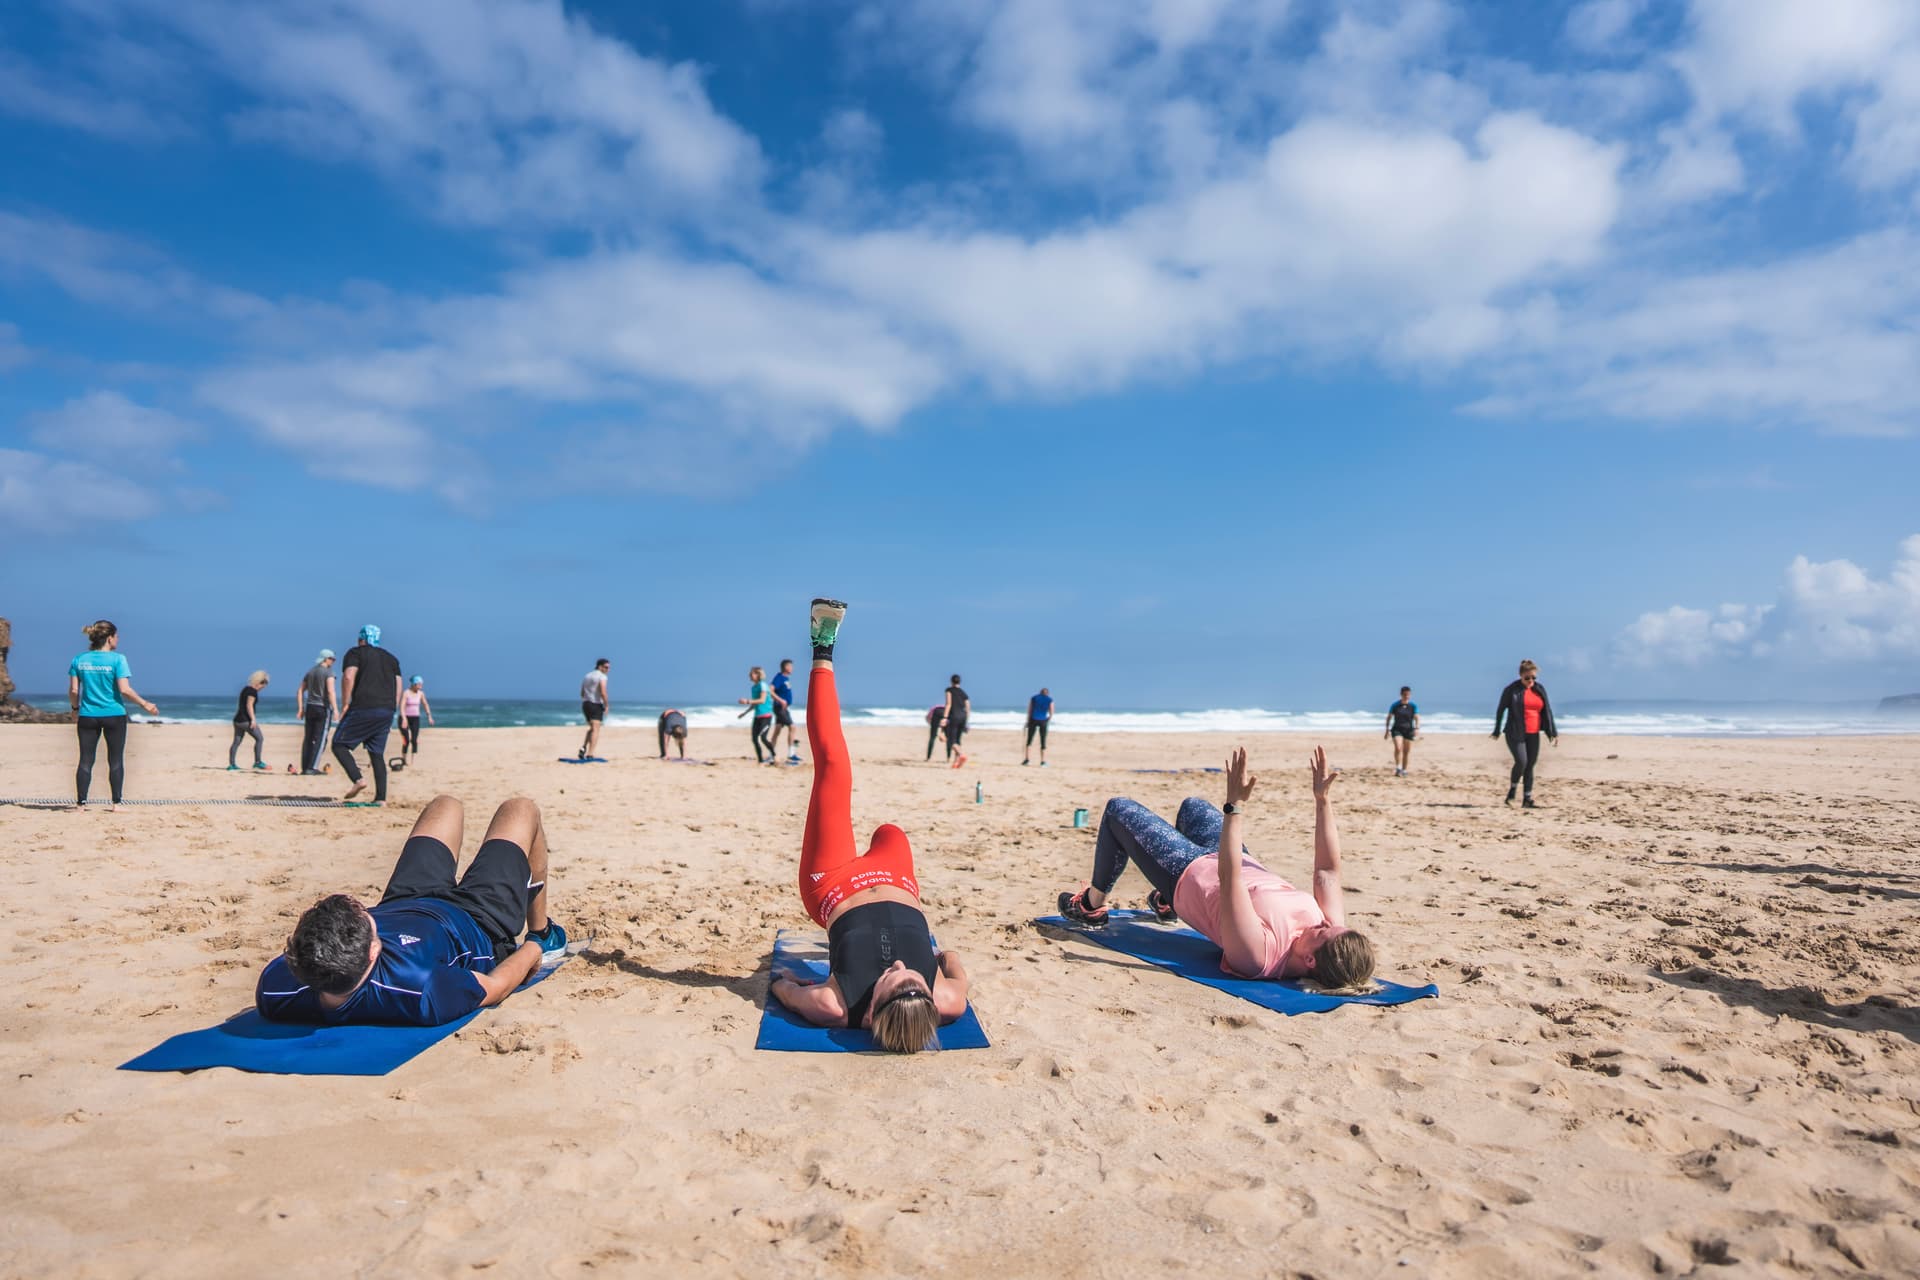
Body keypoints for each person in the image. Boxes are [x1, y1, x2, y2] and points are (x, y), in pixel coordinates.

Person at [769, 600, 972, 1053]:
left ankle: (822, 647)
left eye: (889, 979)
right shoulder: (947, 1002)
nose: (900, 963)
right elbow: (957, 968)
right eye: (912, 976)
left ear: (873, 1009)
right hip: (896, 877)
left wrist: (787, 983)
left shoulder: (833, 1006)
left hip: (833, 884)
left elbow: (785, 989)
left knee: (834, 767)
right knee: (890, 832)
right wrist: (942, 961)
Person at [1056, 746, 1377, 990]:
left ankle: (1091, 906)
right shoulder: (1332, 935)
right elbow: (1327, 873)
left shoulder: (1259, 955)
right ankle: (1162, 905)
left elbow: (1230, 878)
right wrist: (1322, 801)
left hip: (1187, 872)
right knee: (1193, 806)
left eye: (1322, 931)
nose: (1324, 923)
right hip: (1235, 856)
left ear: (1310, 960)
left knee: (1118, 810)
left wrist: (1234, 807)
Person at [255, 794, 568, 1026]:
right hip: (477, 919)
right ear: (375, 950)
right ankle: (544, 931)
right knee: (520, 809)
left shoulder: (277, 987)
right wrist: (532, 948)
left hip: (404, 900)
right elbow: (496, 988)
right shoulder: (421, 989)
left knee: (445, 805)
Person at [67, 620, 158, 809]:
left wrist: (75, 710)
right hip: (114, 715)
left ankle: (81, 804)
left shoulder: (79, 659)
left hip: (88, 715)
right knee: (115, 760)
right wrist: (145, 704)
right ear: (109, 638)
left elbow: (74, 691)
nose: (118, 639)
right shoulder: (118, 659)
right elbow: (124, 689)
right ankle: (116, 803)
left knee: (85, 759)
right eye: (116, 636)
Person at [333, 624, 402, 803]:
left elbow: (348, 676)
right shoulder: (391, 659)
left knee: (339, 745)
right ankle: (381, 798)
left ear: (361, 639)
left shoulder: (355, 653)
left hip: (363, 706)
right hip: (386, 710)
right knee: (376, 753)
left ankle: (358, 779)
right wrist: (392, 708)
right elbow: (398, 685)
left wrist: (346, 703)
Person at [1492, 660, 1558, 808]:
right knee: (1522, 762)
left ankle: (1527, 799)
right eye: (1527, 678)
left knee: (1530, 765)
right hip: (1515, 732)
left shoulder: (1539, 689)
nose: (1531, 681)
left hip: (1533, 733)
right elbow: (1501, 710)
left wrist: (1552, 731)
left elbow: (1547, 710)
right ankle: (1512, 790)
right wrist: (1496, 730)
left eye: (1534, 677)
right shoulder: (1511, 690)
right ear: (1520, 675)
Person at [296, 650, 338, 774]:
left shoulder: (311, 672)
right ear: (325, 659)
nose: (333, 661)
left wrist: (301, 708)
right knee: (321, 738)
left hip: (310, 707)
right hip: (322, 707)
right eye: (332, 659)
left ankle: (305, 766)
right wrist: (335, 709)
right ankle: (312, 767)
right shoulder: (328, 672)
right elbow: (331, 691)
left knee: (308, 737)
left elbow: (300, 691)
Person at [228, 670, 270, 771]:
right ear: (261, 682)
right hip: (245, 720)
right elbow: (249, 706)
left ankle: (232, 765)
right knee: (260, 738)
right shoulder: (253, 692)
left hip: (237, 720)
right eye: (263, 686)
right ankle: (258, 762)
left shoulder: (245, 689)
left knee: (236, 742)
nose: (263, 688)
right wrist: (253, 720)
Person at [738, 665, 775, 764]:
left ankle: (774, 755)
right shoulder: (754, 687)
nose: (749, 675)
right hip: (757, 717)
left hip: (766, 716)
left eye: (752, 673)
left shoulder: (763, 685)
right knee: (754, 739)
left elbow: (762, 700)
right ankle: (761, 760)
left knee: (763, 738)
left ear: (758, 674)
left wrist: (746, 701)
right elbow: (755, 703)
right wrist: (745, 713)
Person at [397, 676, 434, 767]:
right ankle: (404, 759)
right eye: (419, 684)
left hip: (415, 718)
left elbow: (425, 704)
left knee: (414, 740)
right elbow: (401, 706)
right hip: (404, 718)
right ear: (414, 684)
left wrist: (429, 716)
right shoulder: (406, 693)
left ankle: (412, 761)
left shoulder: (421, 694)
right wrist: (404, 719)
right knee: (406, 740)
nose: (421, 685)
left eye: (422, 684)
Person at [769, 658, 801, 763]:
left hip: (783, 708)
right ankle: (791, 755)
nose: (792, 668)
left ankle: (771, 754)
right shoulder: (780, 677)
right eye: (790, 666)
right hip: (780, 708)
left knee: (777, 730)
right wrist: (781, 700)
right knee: (792, 727)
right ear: (786, 667)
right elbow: (770, 690)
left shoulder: (786, 678)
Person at [578, 659, 610, 760]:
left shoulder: (587, 675)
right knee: (596, 729)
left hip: (586, 704)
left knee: (592, 728)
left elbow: (582, 693)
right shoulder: (602, 676)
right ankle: (590, 754)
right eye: (606, 667)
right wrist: (606, 705)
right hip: (595, 704)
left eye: (608, 668)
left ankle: (583, 747)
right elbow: (603, 692)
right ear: (599, 666)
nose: (608, 670)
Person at [1385, 686, 1419, 777]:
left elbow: (1416, 717)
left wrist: (1417, 728)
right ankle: (1398, 767)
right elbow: (1389, 717)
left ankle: (1404, 770)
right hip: (1397, 729)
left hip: (1408, 730)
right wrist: (1387, 729)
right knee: (1398, 748)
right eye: (1404, 695)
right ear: (1401, 695)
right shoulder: (1395, 705)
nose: (1406, 696)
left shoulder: (1413, 706)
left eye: (1408, 695)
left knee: (1406, 752)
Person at [939, 674, 970, 769]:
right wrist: (966, 721)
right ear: (959, 682)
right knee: (957, 740)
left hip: (954, 717)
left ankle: (961, 755)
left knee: (951, 741)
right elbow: (968, 708)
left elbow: (948, 704)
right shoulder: (964, 693)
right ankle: (956, 763)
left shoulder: (949, 691)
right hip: (963, 717)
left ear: (951, 681)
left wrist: (944, 717)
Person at [1023, 687, 1055, 766]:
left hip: (1033, 720)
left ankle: (1027, 760)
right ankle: (1043, 762)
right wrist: (1048, 719)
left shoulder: (1033, 698)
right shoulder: (1050, 700)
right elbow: (1051, 712)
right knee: (1043, 741)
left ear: (1040, 692)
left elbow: (1030, 710)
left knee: (1029, 740)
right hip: (1043, 721)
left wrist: (1027, 721)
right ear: (1047, 693)